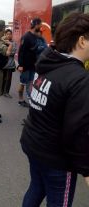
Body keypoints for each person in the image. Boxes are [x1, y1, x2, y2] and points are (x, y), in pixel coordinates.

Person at [21, 12, 89, 207]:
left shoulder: (48, 61)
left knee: (36, 187)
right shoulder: (78, 78)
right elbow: (77, 130)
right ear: (82, 41)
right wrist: (86, 169)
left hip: (33, 143)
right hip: (57, 157)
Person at [17, 18, 42, 107]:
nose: (41, 26)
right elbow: (21, 51)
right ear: (36, 24)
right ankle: (20, 100)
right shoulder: (26, 36)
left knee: (30, 83)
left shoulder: (36, 36)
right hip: (25, 65)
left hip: (33, 65)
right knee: (23, 83)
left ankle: (30, 99)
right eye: (40, 24)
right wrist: (20, 65)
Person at [1, 29, 17, 98]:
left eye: (10, 34)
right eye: (7, 34)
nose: (9, 35)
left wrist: (7, 48)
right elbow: (0, 52)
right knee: (2, 78)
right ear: (5, 34)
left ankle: (6, 92)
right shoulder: (1, 42)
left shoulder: (14, 43)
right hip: (2, 64)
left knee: (8, 79)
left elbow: (13, 52)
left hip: (10, 64)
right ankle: (1, 91)